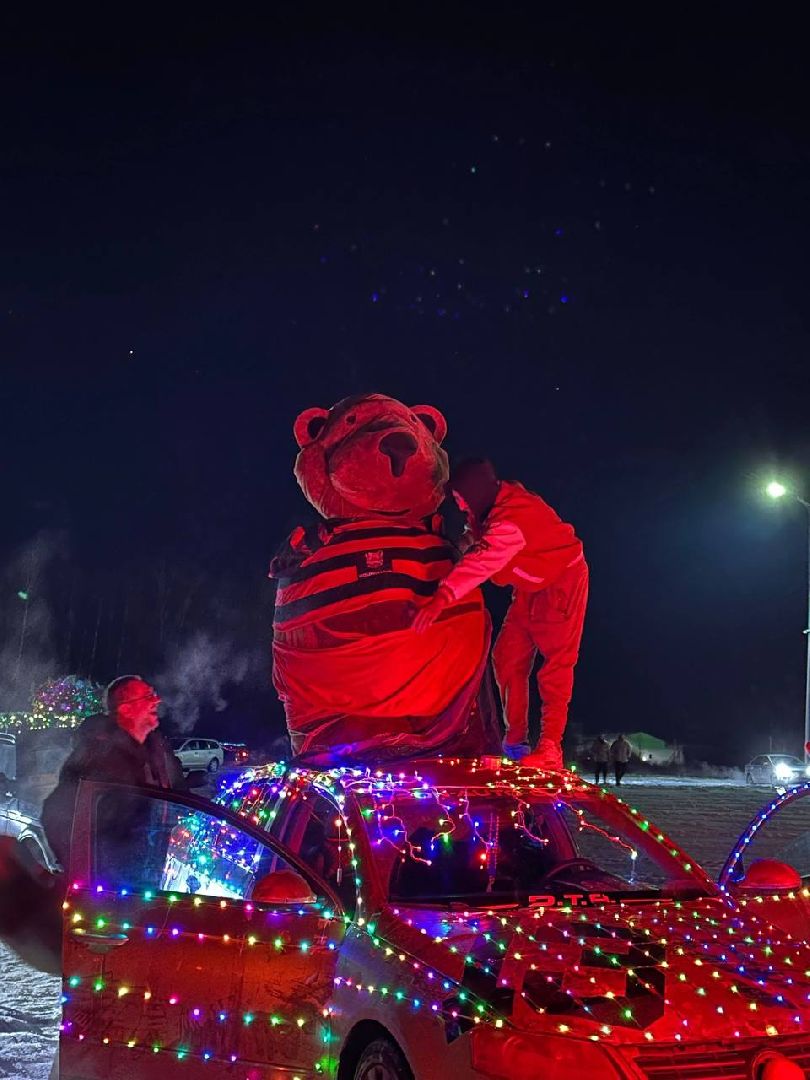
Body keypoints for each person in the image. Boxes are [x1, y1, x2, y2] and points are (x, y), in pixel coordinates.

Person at [412, 458, 588, 770]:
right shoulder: (492, 508)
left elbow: (483, 560)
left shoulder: (511, 521)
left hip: (562, 582)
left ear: (475, 493)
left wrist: (443, 596)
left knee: (556, 666)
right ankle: (516, 743)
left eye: (460, 498)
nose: (458, 504)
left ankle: (550, 747)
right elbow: (477, 539)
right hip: (529, 587)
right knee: (508, 656)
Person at [41, 675, 180, 872]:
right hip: (113, 887)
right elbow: (54, 812)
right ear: (126, 710)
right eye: (147, 697)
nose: (156, 701)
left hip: (145, 876)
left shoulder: (153, 752)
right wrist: (86, 871)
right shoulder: (98, 755)